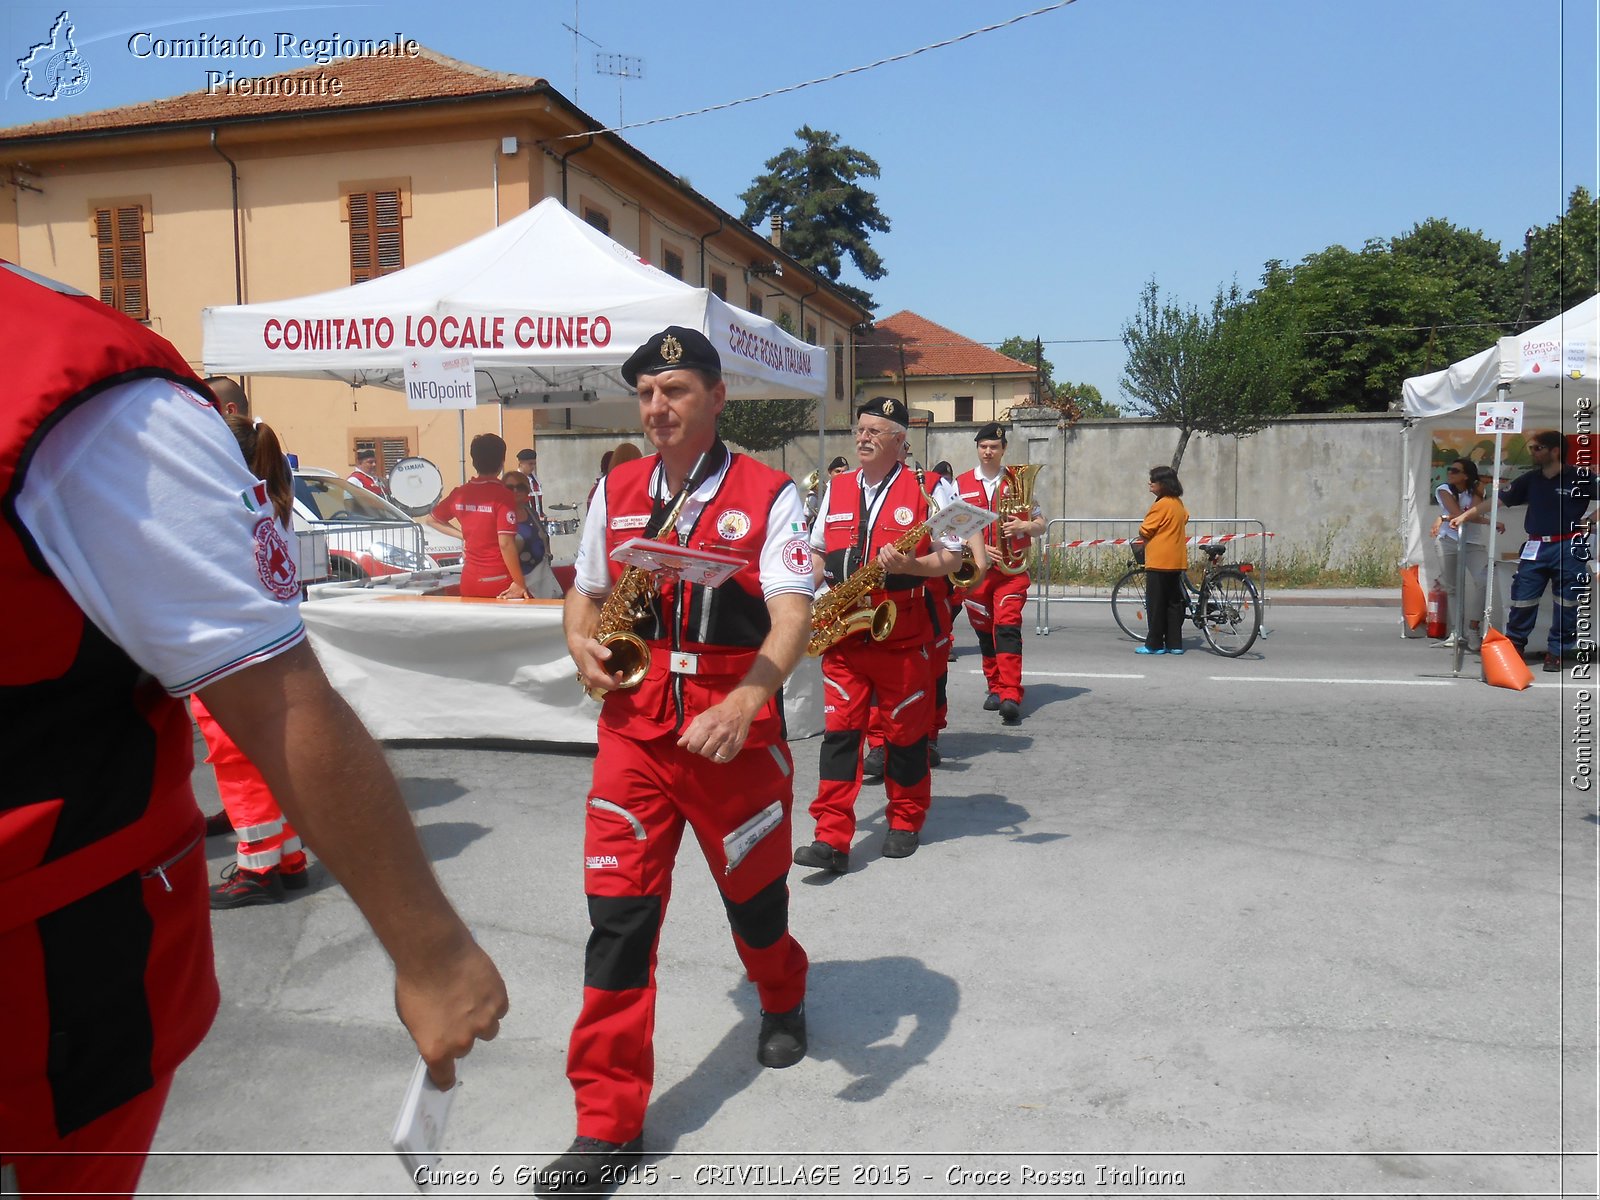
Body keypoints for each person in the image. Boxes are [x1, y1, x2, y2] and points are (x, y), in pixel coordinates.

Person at [0, 261, 507, 1198]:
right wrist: (432, 950)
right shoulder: (75, 379)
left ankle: (271, 860)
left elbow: (271, 695)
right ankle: (269, 858)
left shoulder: (81, 393)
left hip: (46, 989)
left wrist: (427, 949)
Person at [549, 326, 812, 1195]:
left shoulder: (769, 493)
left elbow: (792, 612)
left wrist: (749, 700)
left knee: (756, 902)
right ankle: (605, 1124)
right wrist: (583, 646)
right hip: (634, 728)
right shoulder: (616, 486)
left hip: (730, 731)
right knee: (617, 920)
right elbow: (585, 593)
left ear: (716, 398)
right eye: (649, 393)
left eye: (677, 391)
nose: (658, 407)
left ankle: (780, 993)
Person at [795, 396, 962, 873]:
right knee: (840, 738)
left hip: (902, 635)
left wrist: (913, 566)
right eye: (860, 429)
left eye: (875, 430)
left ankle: (906, 820)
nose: (863, 437)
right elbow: (819, 552)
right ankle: (831, 837)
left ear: (899, 440)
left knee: (906, 737)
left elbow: (953, 557)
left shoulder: (933, 489)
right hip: (844, 634)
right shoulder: (837, 486)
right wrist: (803, 597)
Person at [196, 412, 311, 907]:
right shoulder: (265, 501)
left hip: (231, 653)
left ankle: (257, 867)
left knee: (239, 765)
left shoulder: (224, 507)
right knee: (265, 760)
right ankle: (288, 857)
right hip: (270, 646)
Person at [1454, 429, 1595, 671]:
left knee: (1568, 603)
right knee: (1522, 598)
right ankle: (1515, 645)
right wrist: (1466, 515)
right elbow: (1498, 500)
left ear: (1555, 451)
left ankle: (1556, 652)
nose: (1532, 452)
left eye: (1537, 448)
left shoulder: (1579, 477)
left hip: (1569, 545)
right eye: (1531, 448)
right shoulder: (1530, 479)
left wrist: (1591, 520)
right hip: (1536, 546)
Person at [955, 422, 1045, 725]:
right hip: (978, 572)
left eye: (994, 446)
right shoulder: (961, 483)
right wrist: (977, 551)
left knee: (1007, 628)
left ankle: (1010, 693)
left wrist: (1024, 526)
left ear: (1003, 449)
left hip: (1011, 573)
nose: (988, 451)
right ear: (978, 449)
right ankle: (994, 686)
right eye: (983, 446)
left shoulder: (1017, 482)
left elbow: (1041, 523)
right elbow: (954, 526)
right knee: (984, 632)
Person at [425, 434, 528, 600]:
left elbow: (432, 520)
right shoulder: (503, 495)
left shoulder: (460, 493)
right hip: (498, 578)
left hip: (469, 578)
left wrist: (463, 535)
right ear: (502, 462)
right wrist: (520, 582)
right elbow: (506, 543)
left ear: (473, 462)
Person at [1431, 457, 1495, 650]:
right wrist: (1444, 517)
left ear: (1466, 475)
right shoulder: (1443, 489)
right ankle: (1456, 631)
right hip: (1448, 541)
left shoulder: (1478, 489)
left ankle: (1473, 627)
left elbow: (1470, 515)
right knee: (1452, 587)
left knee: (1484, 581)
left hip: (1472, 543)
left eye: (1455, 470)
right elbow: (1459, 514)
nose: (1450, 473)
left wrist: (1442, 517)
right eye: (1450, 469)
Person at [1135, 465, 1190, 655]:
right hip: (1176, 560)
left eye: (1153, 480)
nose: (1150, 483)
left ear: (1163, 484)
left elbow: (1145, 529)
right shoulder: (1177, 503)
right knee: (1174, 603)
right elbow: (1185, 518)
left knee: (1156, 605)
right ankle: (1175, 643)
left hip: (1159, 560)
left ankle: (1155, 644)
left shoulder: (1161, 504)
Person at [502, 469, 561, 599]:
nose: (516, 491)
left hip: (541, 578)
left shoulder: (531, 512)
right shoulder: (502, 516)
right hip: (518, 585)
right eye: (510, 488)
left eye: (520, 487)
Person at [514, 447, 550, 531]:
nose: (533, 467)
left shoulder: (534, 479)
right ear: (521, 463)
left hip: (537, 523)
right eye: (530, 464)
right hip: (524, 524)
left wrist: (543, 516)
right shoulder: (516, 480)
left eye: (534, 464)